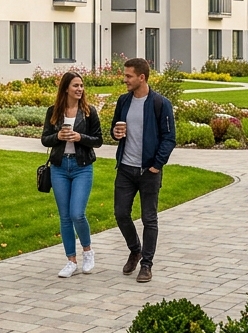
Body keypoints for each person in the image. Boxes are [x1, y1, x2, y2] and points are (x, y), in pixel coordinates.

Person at [110, 57, 176, 282]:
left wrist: (157, 165)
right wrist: (116, 134)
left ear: (142, 77)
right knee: (120, 213)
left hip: (149, 170)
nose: (125, 79)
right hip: (126, 168)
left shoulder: (160, 103)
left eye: (129, 76)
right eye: (125, 75)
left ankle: (146, 264)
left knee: (149, 218)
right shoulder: (123, 101)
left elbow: (169, 138)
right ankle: (135, 249)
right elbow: (115, 129)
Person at [40, 72, 103, 278]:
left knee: (77, 213)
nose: (80, 89)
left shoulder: (88, 112)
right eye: (76, 85)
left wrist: (79, 137)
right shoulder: (54, 112)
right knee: (65, 217)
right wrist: (58, 136)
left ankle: (88, 251)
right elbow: (45, 140)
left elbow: (98, 140)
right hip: (59, 168)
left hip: (81, 167)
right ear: (66, 88)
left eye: (82, 86)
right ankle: (71, 261)